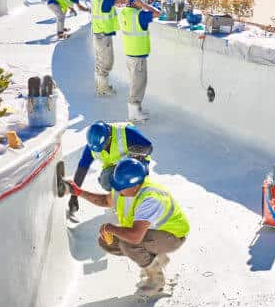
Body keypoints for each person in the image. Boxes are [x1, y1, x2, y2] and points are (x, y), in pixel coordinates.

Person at [67, 157, 189, 292]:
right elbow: (104, 200)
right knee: (108, 242)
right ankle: (157, 258)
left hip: (173, 236)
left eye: (120, 187)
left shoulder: (150, 198)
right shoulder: (125, 189)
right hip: (152, 232)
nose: (117, 190)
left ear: (135, 185)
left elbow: (135, 237)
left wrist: (110, 227)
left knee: (129, 242)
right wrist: (78, 192)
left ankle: (156, 278)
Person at [67, 120, 153, 215]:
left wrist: (138, 151)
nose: (102, 150)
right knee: (105, 180)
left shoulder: (126, 132)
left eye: (103, 146)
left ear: (109, 137)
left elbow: (149, 147)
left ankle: (138, 202)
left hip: (136, 165)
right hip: (116, 167)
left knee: (132, 184)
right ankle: (118, 200)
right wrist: (73, 197)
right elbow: (82, 168)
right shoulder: (93, 145)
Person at [119, 0, 161, 122]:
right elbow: (157, 13)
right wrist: (144, 6)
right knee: (139, 84)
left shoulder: (126, 12)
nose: (144, 2)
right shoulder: (139, 15)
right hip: (138, 56)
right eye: (141, 0)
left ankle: (136, 110)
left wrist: (140, 5)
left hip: (130, 54)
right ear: (136, 1)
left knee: (134, 83)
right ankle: (134, 114)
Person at [90, 0, 128, 96]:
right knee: (106, 63)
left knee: (100, 63)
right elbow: (119, 0)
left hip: (98, 35)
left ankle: (100, 87)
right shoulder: (105, 1)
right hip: (103, 37)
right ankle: (103, 90)